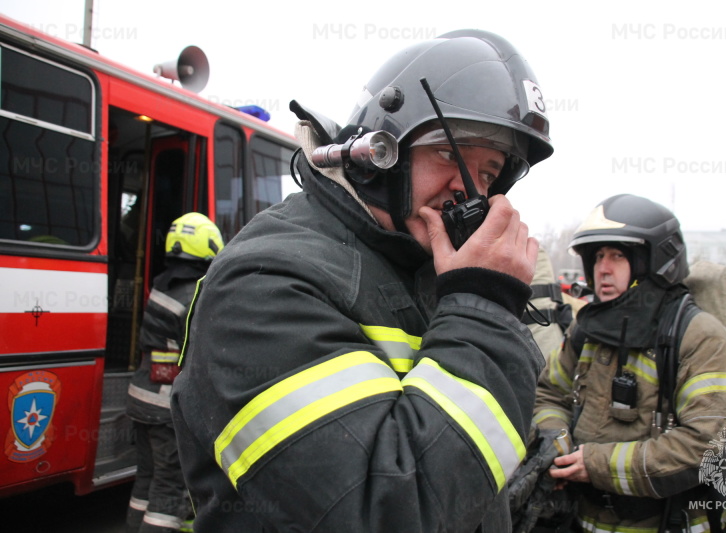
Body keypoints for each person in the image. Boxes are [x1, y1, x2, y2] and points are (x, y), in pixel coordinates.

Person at [171, 30, 553, 532]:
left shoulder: (432, 275)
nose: (469, 189)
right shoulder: (265, 282)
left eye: (489, 173)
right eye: (449, 152)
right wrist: (486, 307)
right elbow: (384, 512)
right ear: (378, 155)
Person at [532, 194, 726, 533]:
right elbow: (549, 394)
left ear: (656, 261)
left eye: (618, 256)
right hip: (581, 519)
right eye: (598, 256)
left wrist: (596, 465)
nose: (602, 268)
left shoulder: (700, 337)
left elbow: (716, 445)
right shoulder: (586, 328)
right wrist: (556, 444)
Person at [126, 213, 224, 533]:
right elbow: (202, 355)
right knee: (169, 490)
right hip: (164, 407)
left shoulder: (161, 284)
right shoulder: (192, 296)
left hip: (141, 398)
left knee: (146, 480)